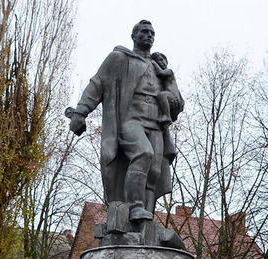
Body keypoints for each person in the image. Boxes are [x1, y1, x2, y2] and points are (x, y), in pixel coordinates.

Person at [68, 20, 184, 222]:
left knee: (155, 172)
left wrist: (173, 98)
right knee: (143, 152)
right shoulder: (119, 58)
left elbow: (176, 101)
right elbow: (97, 84)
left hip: (156, 123)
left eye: (152, 33)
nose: (149, 36)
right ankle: (134, 206)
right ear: (134, 36)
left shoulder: (159, 67)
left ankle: (145, 220)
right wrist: (80, 113)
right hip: (130, 120)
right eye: (144, 32)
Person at [150, 52, 181, 128]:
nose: (160, 63)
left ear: (166, 61)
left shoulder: (169, 71)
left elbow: (160, 73)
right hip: (171, 96)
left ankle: (166, 116)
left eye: (161, 60)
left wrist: (153, 63)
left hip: (172, 95)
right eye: (158, 62)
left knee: (161, 95)